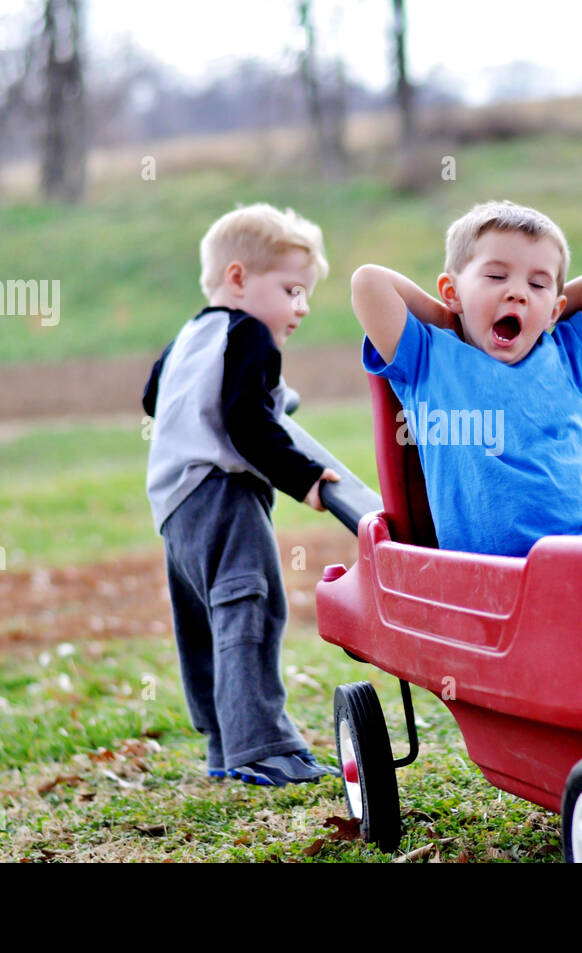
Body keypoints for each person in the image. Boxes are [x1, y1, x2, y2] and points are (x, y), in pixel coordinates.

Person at [143, 203, 340, 785]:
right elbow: (247, 425)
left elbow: (156, 399)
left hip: (175, 507)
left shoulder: (189, 336)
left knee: (205, 620)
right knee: (248, 606)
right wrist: (303, 477)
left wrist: (264, 394)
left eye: (305, 294)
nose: (301, 307)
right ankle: (263, 747)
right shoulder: (251, 335)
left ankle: (223, 745)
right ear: (238, 278)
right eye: (291, 289)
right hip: (223, 494)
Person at [351, 199, 582, 557]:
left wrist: (546, 311)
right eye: (496, 276)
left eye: (537, 283)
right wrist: (453, 316)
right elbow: (368, 283)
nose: (517, 292)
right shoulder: (428, 357)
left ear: (556, 310)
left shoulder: (565, 356)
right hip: (488, 574)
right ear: (451, 291)